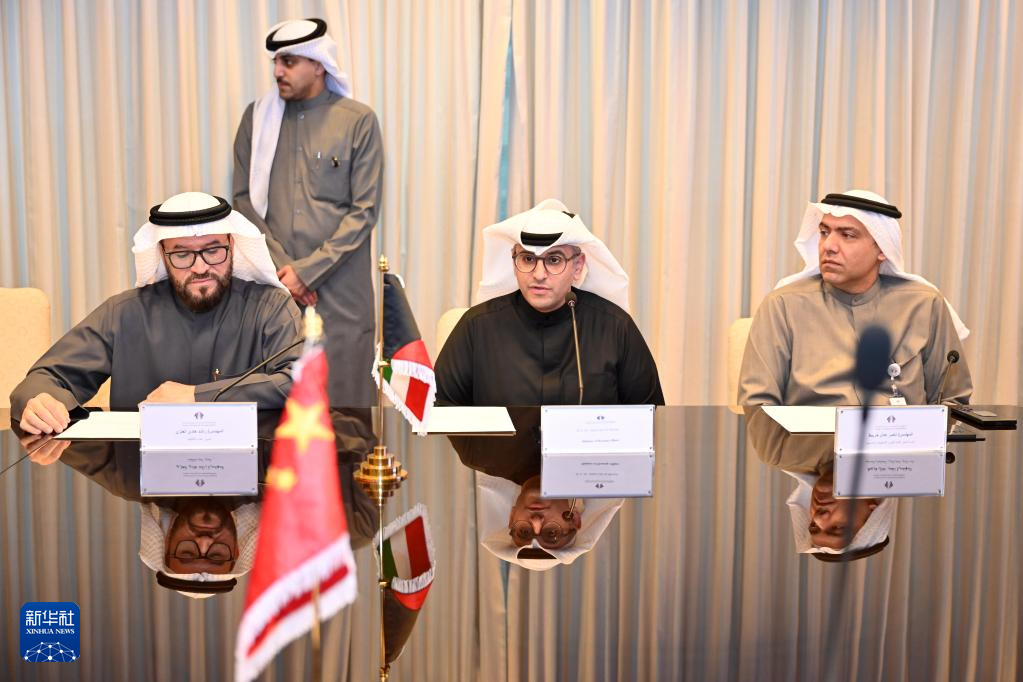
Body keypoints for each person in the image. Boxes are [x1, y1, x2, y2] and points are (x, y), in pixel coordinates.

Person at [9, 191, 303, 434]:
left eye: (213, 250)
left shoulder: (270, 307)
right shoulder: (125, 313)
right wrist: (40, 401)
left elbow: (301, 382)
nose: (200, 267)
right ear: (163, 255)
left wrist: (196, 397)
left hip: (252, 474)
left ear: (232, 246)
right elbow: (45, 379)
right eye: (183, 254)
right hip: (144, 473)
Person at [232, 18, 383, 407]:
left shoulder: (357, 121)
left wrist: (309, 271)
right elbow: (243, 203)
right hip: (273, 286)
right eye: (276, 62)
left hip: (341, 293)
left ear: (318, 64)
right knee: (275, 410)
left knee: (346, 414)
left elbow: (363, 212)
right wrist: (287, 270)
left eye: (288, 61)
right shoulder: (257, 120)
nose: (278, 71)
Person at [739, 189, 973, 406]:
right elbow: (758, 403)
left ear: (882, 249)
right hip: (811, 449)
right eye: (824, 232)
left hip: (902, 446)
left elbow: (952, 399)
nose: (828, 246)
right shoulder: (783, 306)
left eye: (848, 235)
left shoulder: (924, 305)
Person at [435, 199, 664, 406]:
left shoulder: (615, 328)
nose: (539, 274)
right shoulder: (477, 327)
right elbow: (439, 411)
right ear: (514, 262)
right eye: (528, 259)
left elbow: (650, 418)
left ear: (578, 265)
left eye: (554, 260)